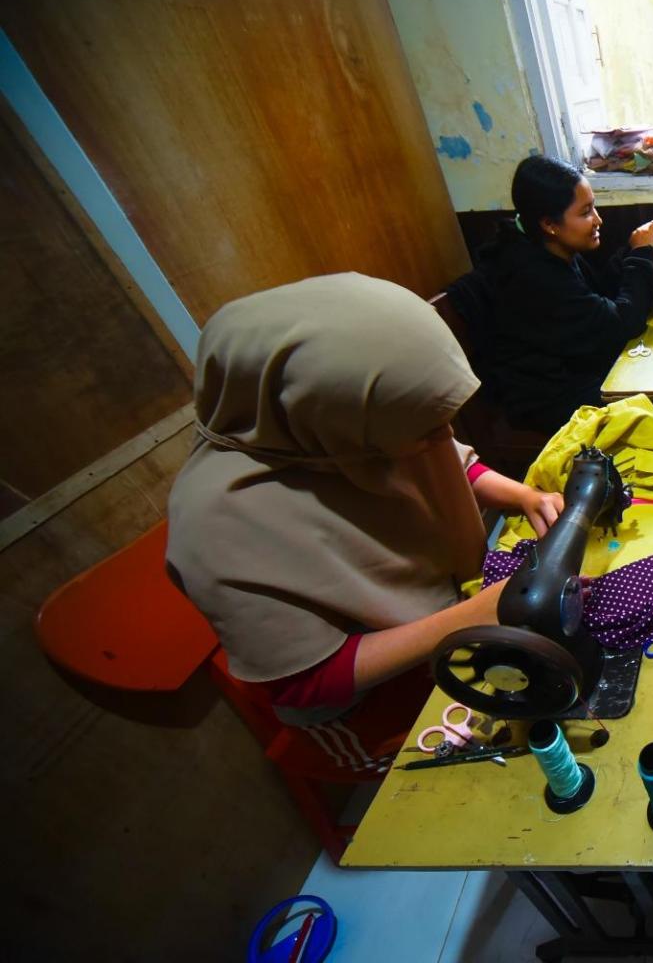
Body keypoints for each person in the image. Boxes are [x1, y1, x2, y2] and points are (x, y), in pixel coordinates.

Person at [166, 274, 564, 762]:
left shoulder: (337, 426)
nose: (441, 438)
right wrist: (470, 617)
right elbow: (307, 681)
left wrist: (523, 495)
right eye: (423, 431)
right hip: (368, 702)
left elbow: (448, 462)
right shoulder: (216, 527)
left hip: (452, 624)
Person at [463, 154, 653, 432]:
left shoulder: (545, 246)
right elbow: (622, 324)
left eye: (594, 207)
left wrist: (633, 251)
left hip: (574, 375)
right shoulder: (530, 274)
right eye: (585, 212)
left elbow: (597, 297)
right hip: (550, 402)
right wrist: (640, 256)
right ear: (549, 224)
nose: (598, 220)